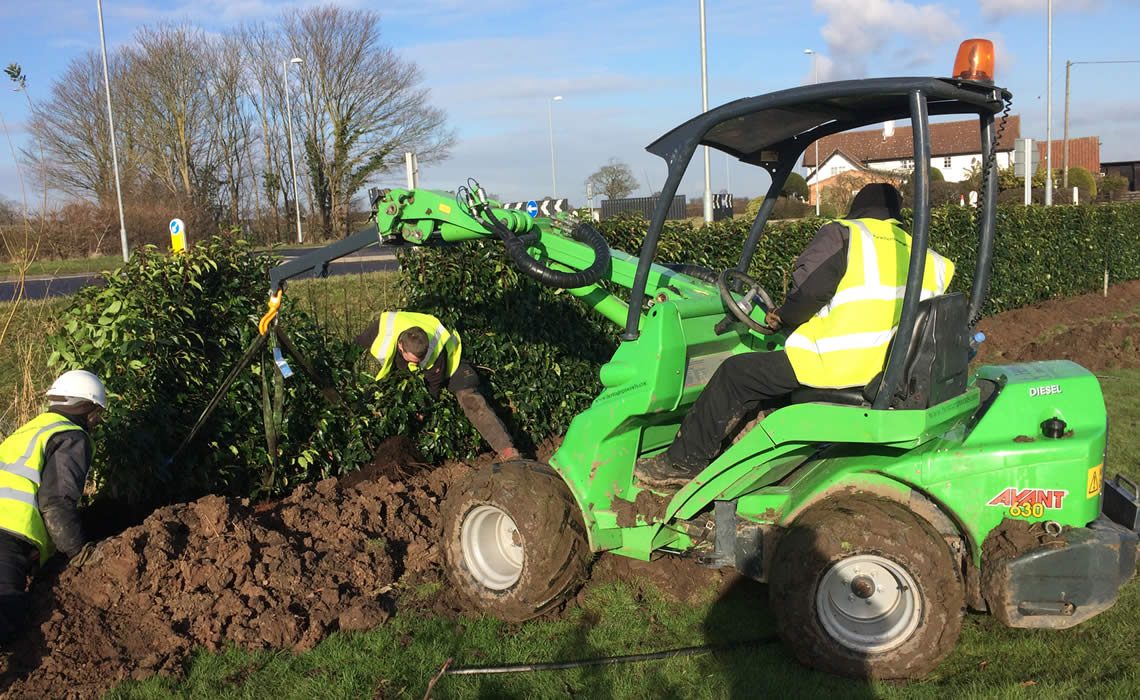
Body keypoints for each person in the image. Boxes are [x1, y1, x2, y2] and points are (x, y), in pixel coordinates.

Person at [635, 183, 954, 488]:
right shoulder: (931, 258)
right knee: (764, 381)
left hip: (838, 367)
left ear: (857, 209)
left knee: (736, 374)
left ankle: (681, 463)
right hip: (890, 373)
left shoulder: (846, 235)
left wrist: (782, 318)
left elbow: (809, 291)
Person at [0, 370, 106, 643]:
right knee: (7, 612)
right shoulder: (70, 435)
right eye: (98, 413)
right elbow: (56, 502)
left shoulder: (31, 429)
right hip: (8, 535)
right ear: (89, 409)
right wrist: (78, 553)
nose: (97, 421)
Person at [356, 311, 520, 462]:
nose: (418, 362)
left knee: (469, 398)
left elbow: (433, 388)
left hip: (451, 364)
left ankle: (506, 448)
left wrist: (422, 411)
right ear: (401, 345)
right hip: (402, 370)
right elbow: (356, 349)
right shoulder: (382, 329)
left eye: (420, 359)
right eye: (413, 360)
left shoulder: (434, 352)